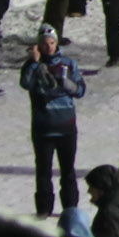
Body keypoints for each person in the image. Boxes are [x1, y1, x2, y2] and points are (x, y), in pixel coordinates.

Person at [18, 24, 86, 217]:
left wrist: (68, 84)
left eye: (51, 43)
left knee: (68, 170)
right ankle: (44, 209)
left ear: (57, 43)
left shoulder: (68, 64)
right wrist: (34, 62)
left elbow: (81, 90)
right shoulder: (32, 65)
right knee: (43, 171)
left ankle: (70, 207)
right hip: (43, 128)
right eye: (44, 43)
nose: (48, 47)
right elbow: (26, 83)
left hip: (66, 127)